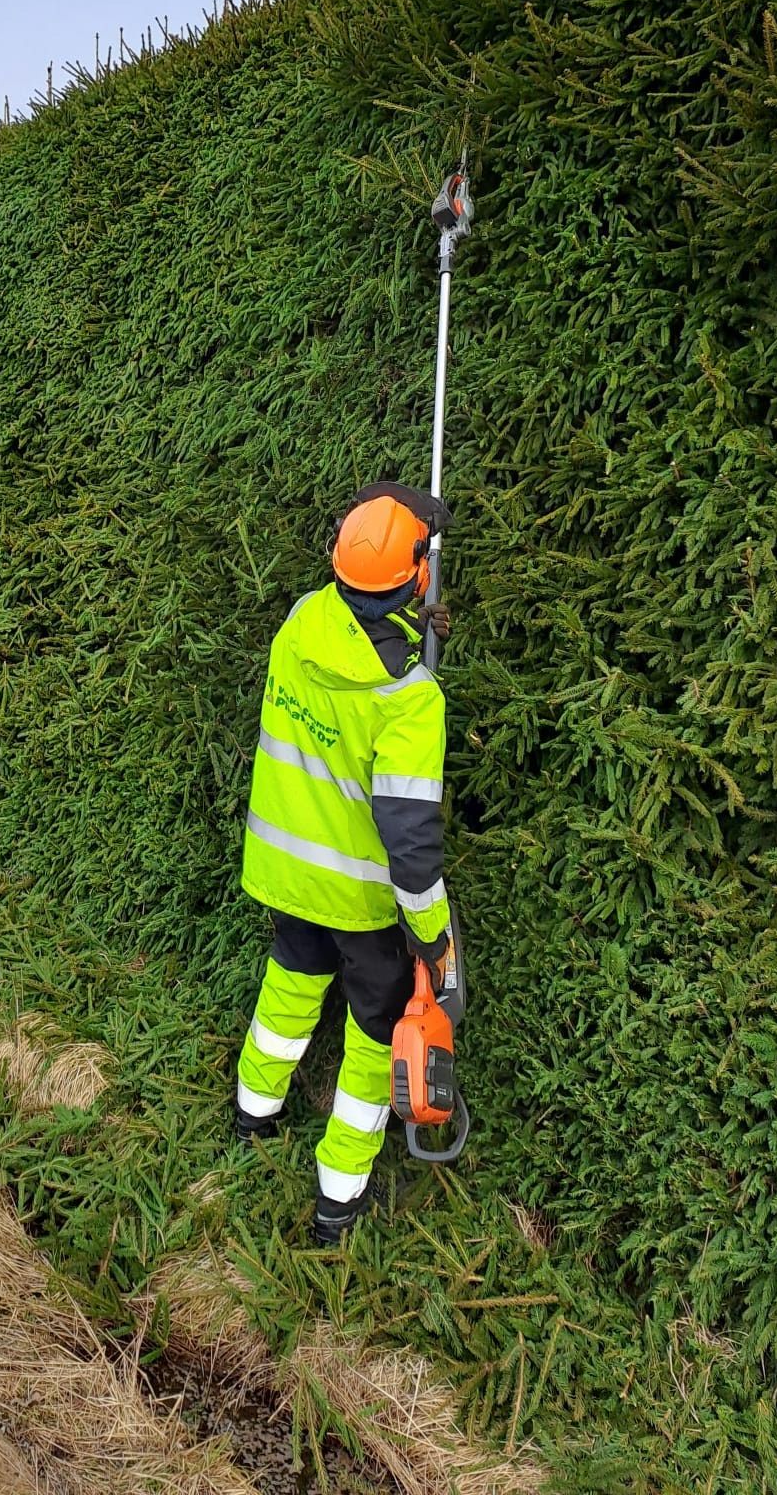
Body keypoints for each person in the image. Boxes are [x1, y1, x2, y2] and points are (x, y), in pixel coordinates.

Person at [233, 482, 453, 1245]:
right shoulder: (409, 697)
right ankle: (338, 1198)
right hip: (359, 904)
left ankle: (253, 1114)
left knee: (291, 985)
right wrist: (433, 935)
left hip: (283, 873)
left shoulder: (300, 623)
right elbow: (411, 840)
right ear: (417, 575)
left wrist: (411, 623)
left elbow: (354, 642)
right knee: (373, 1035)